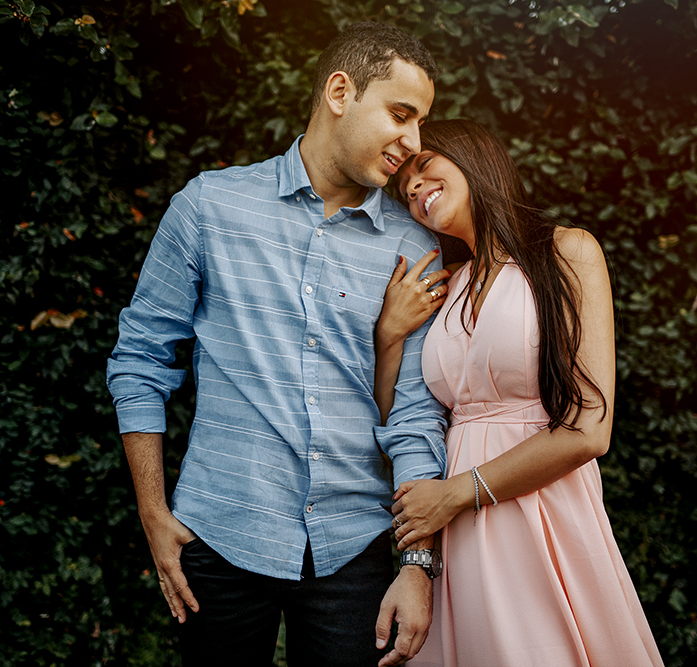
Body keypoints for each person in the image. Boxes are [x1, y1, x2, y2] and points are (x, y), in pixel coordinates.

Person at [106, 22, 452, 667]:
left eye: (420, 123)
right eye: (401, 115)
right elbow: (141, 360)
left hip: (355, 548)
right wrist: (152, 512)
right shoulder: (210, 206)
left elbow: (414, 413)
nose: (414, 142)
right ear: (340, 92)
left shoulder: (414, 245)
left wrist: (417, 564)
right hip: (219, 536)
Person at [375, 119, 665, 666]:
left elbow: (589, 430)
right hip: (453, 527)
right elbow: (404, 416)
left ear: (474, 157)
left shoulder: (567, 252)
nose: (412, 186)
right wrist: (390, 336)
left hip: (539, 507)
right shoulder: (446, 283)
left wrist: (457, 493)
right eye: (404, 187)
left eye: (425, 165)